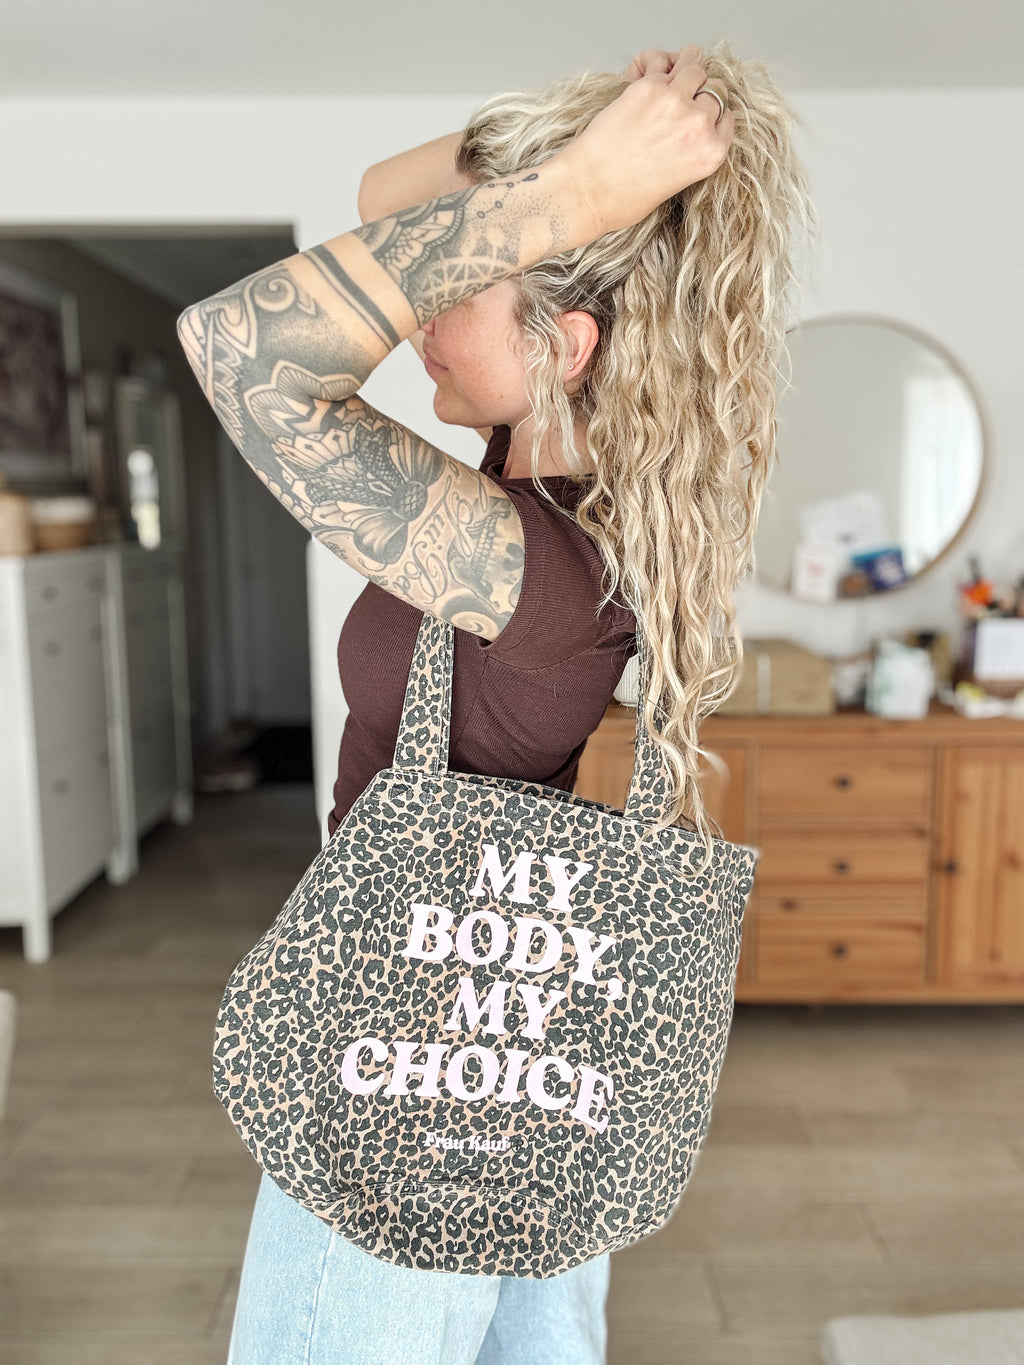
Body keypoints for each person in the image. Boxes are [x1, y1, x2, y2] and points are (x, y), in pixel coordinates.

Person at [178, 40, 815, 1365]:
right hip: (515, 1056)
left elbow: (241, 346)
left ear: (563, 346)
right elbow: (385, 191)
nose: (420, 305)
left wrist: (573, 198)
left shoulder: (541, 570)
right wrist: (580, 158)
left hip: (414, 1081)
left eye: (463, 286)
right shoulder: (531, 500)